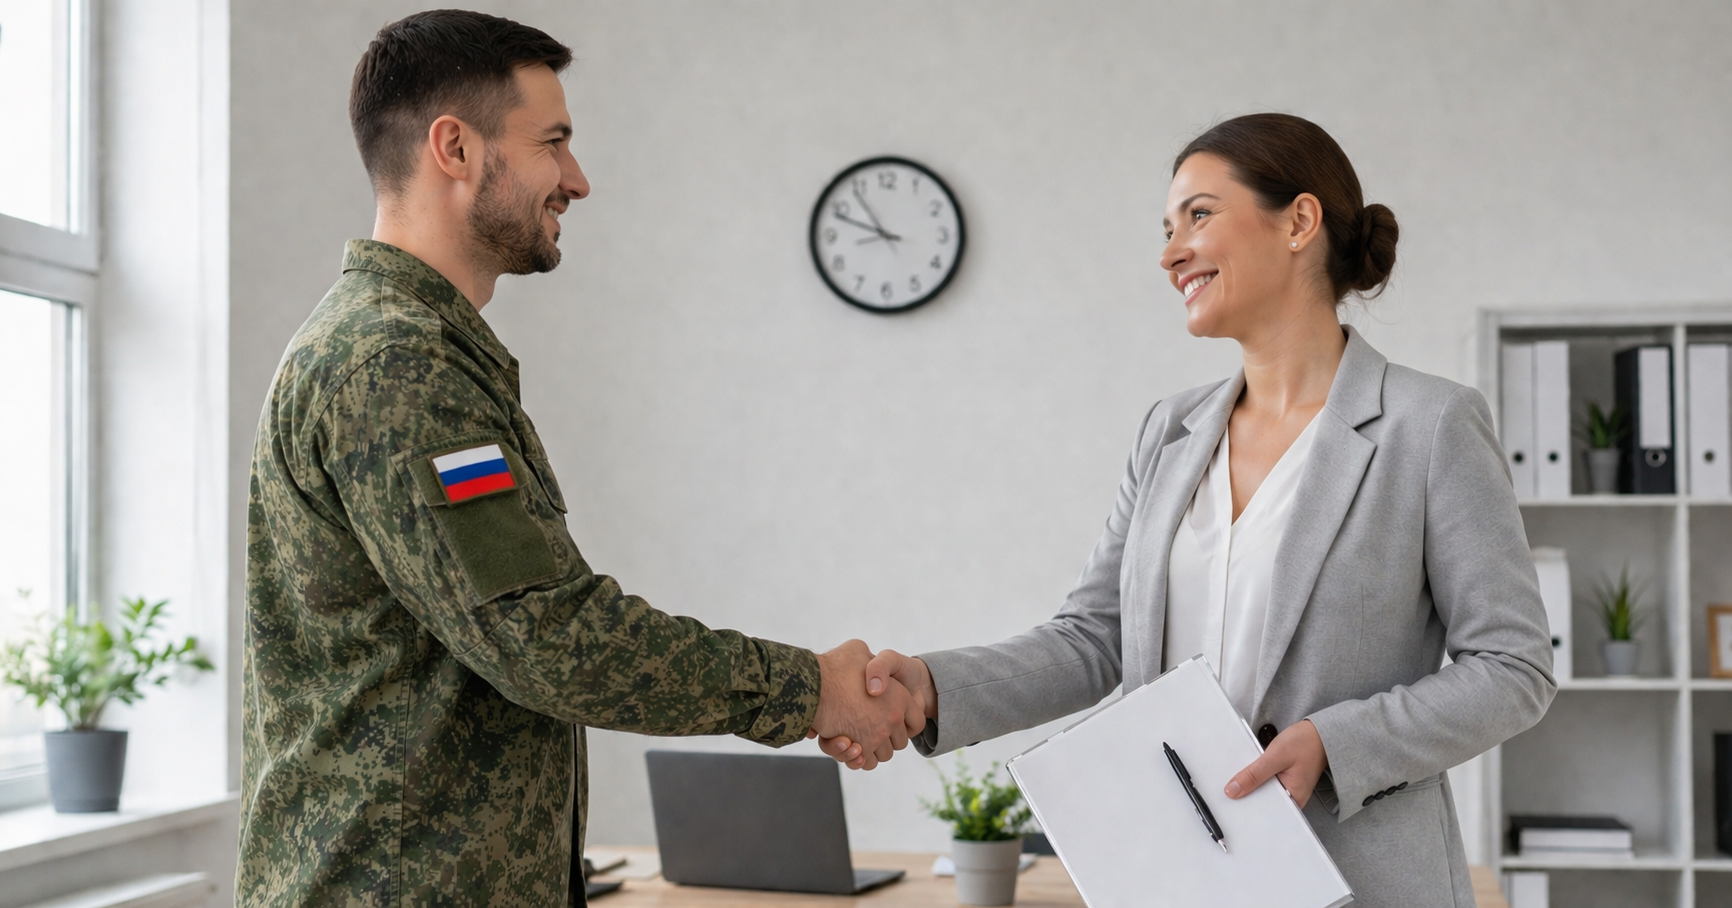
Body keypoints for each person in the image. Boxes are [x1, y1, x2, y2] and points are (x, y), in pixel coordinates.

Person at [238, 11, 924, 908]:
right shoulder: (396, 364)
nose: (577, 180)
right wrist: (810, 689)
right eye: (552, 142)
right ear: (454, 147)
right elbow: (548, 636)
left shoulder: (414, 352)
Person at [823, 113, 1557, 908]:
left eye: (1199, 215)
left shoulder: (1431, 424)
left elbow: (1512, 666)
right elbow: (1095, 637)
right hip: (1177, 877)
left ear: (1299, 222)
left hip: (1362, 881)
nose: (1171, 253)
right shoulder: (1169, 431)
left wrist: (1336, 743)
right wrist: (930, 687)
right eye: (1167, 229)